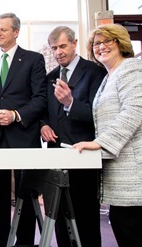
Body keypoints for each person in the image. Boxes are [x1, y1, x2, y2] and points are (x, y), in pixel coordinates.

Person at [0, 13, 47, 246]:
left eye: (3, 30)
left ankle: (25, 242)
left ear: (16, 32)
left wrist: (16, 115)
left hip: (24, 136)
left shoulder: (33, 60)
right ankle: (1, 242)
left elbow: (40, 98)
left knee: (25, 196)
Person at [73, 24, 142, 247]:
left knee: (130, 228)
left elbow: (134, 111)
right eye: (96, 44)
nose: (101, 47)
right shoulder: (108, 76)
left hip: (134, 171)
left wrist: (100, 143)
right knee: (123, 226)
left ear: (121, 43)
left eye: (107, 41)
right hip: (120, 171)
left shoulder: (131, 68)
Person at [40, 26, 107, 247]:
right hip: (56, 158)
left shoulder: (95, 72)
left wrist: (71, 103)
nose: (58, 52)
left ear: (74, 43)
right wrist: (44, 125)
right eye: (54, 48)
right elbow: (44, 112)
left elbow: (100, 116)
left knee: (85, 219)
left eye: (62, 46)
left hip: (83, 158)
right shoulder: (50, 77)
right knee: (58, 218)